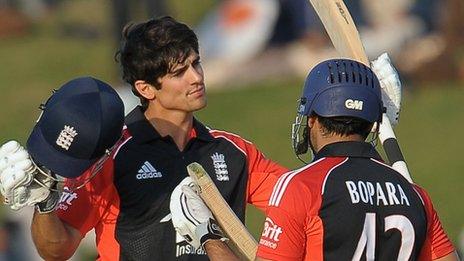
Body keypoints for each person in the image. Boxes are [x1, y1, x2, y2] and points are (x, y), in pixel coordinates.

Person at [0, 16, 288, 261]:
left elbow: (302, 200)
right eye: (179, 72)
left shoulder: (233, 151)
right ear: (146, 88)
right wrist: (46, 205)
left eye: (196, 63)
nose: (196, 77)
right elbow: (56, 250)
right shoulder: (111, 157)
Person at [169, 58, 459, 260]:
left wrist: (206, 236)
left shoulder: (300, 186)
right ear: (371, 123)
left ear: (313, 119)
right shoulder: (415, 195)